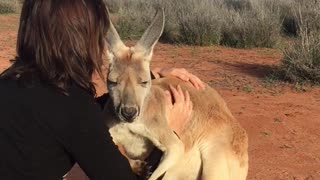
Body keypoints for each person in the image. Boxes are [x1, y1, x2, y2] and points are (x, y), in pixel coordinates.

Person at [0, 0, 204, 180]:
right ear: (80, 41)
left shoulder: (10, 80)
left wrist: (143, 78)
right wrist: (168, 136)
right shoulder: (73, 106)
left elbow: (69, 117)